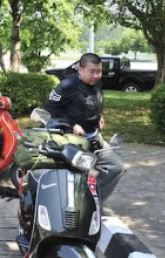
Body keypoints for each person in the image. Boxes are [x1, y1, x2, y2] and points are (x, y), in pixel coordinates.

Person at [42, 52, 125, 201]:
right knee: (78, 173)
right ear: (80, 70)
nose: (96, 75)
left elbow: (93, 103)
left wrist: (99, 116)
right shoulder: (67, 85)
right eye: (92, 71)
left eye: (99, 71)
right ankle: (74, 202)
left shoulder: (96, 82)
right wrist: (72, 125)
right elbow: (49, 108)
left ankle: (91, 200)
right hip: (73, 139)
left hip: (93, 136)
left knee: (116, 166)